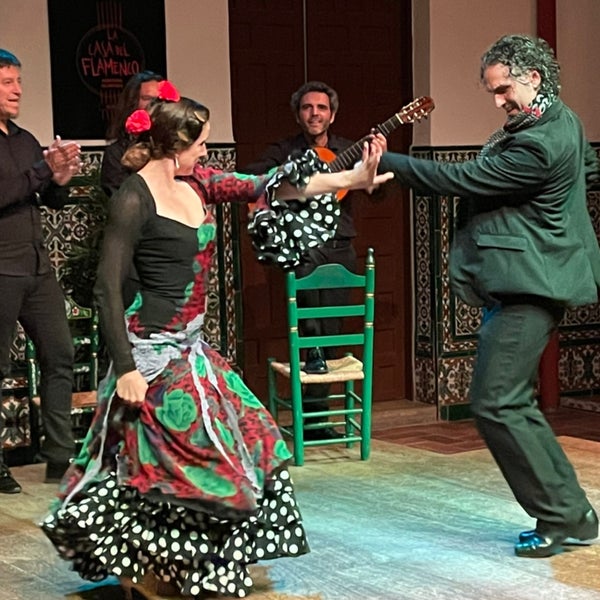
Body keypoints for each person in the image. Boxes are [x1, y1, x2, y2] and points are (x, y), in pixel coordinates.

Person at [41, 80, 391, 598]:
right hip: (151, 351)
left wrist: (350, 179)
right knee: (190, 463)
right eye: (201, 144)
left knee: (255, 437)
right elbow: (107, 289)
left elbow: (267, 184)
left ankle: (188, 564)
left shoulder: (199, 183)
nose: (207, 152)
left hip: (193, 348)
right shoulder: (134, 198)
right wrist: (128, 369)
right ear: (176, 145)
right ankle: (169, 566)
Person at [376, 34, 600, 558]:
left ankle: (565, 516)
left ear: (534, 79)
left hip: (533, 281)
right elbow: (585, 168)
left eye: (502, 90)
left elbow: (470, 177)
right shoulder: (558, 120)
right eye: (494, 91)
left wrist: (394, 165)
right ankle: (571, 513)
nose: (498, 101)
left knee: (497, 400)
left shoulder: (540, 141)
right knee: (505, 399)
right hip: (529, 275)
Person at [242, 81, 371, 439]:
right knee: (308, 330)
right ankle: (308, 417)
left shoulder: (349, 150)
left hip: (339, 245)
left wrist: (374, 167)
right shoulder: (284, 149)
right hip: (302, 247)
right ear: (298, 114)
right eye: (307, 108)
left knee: (330, 330)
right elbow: (253, 177)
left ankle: (319, 421)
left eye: (322, 108)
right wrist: (293, 176)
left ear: (332, 114)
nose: (315, 114)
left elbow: (378, 193)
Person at [0, 49, 81, 494]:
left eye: (18, 80)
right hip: (1, 268)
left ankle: (58, 458)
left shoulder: (27, 139)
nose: (17, 90)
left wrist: (61, 178)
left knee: (60, 354)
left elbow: (48, 199)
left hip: (35, 268)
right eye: (8, 82)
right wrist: (41, 171)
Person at [100, 70, 163, 198]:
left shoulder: (173, 147)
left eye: (158, 99)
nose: (153, 105)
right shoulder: (116, 153)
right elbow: (120, 199)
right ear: (132, 102)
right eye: (147, 99)